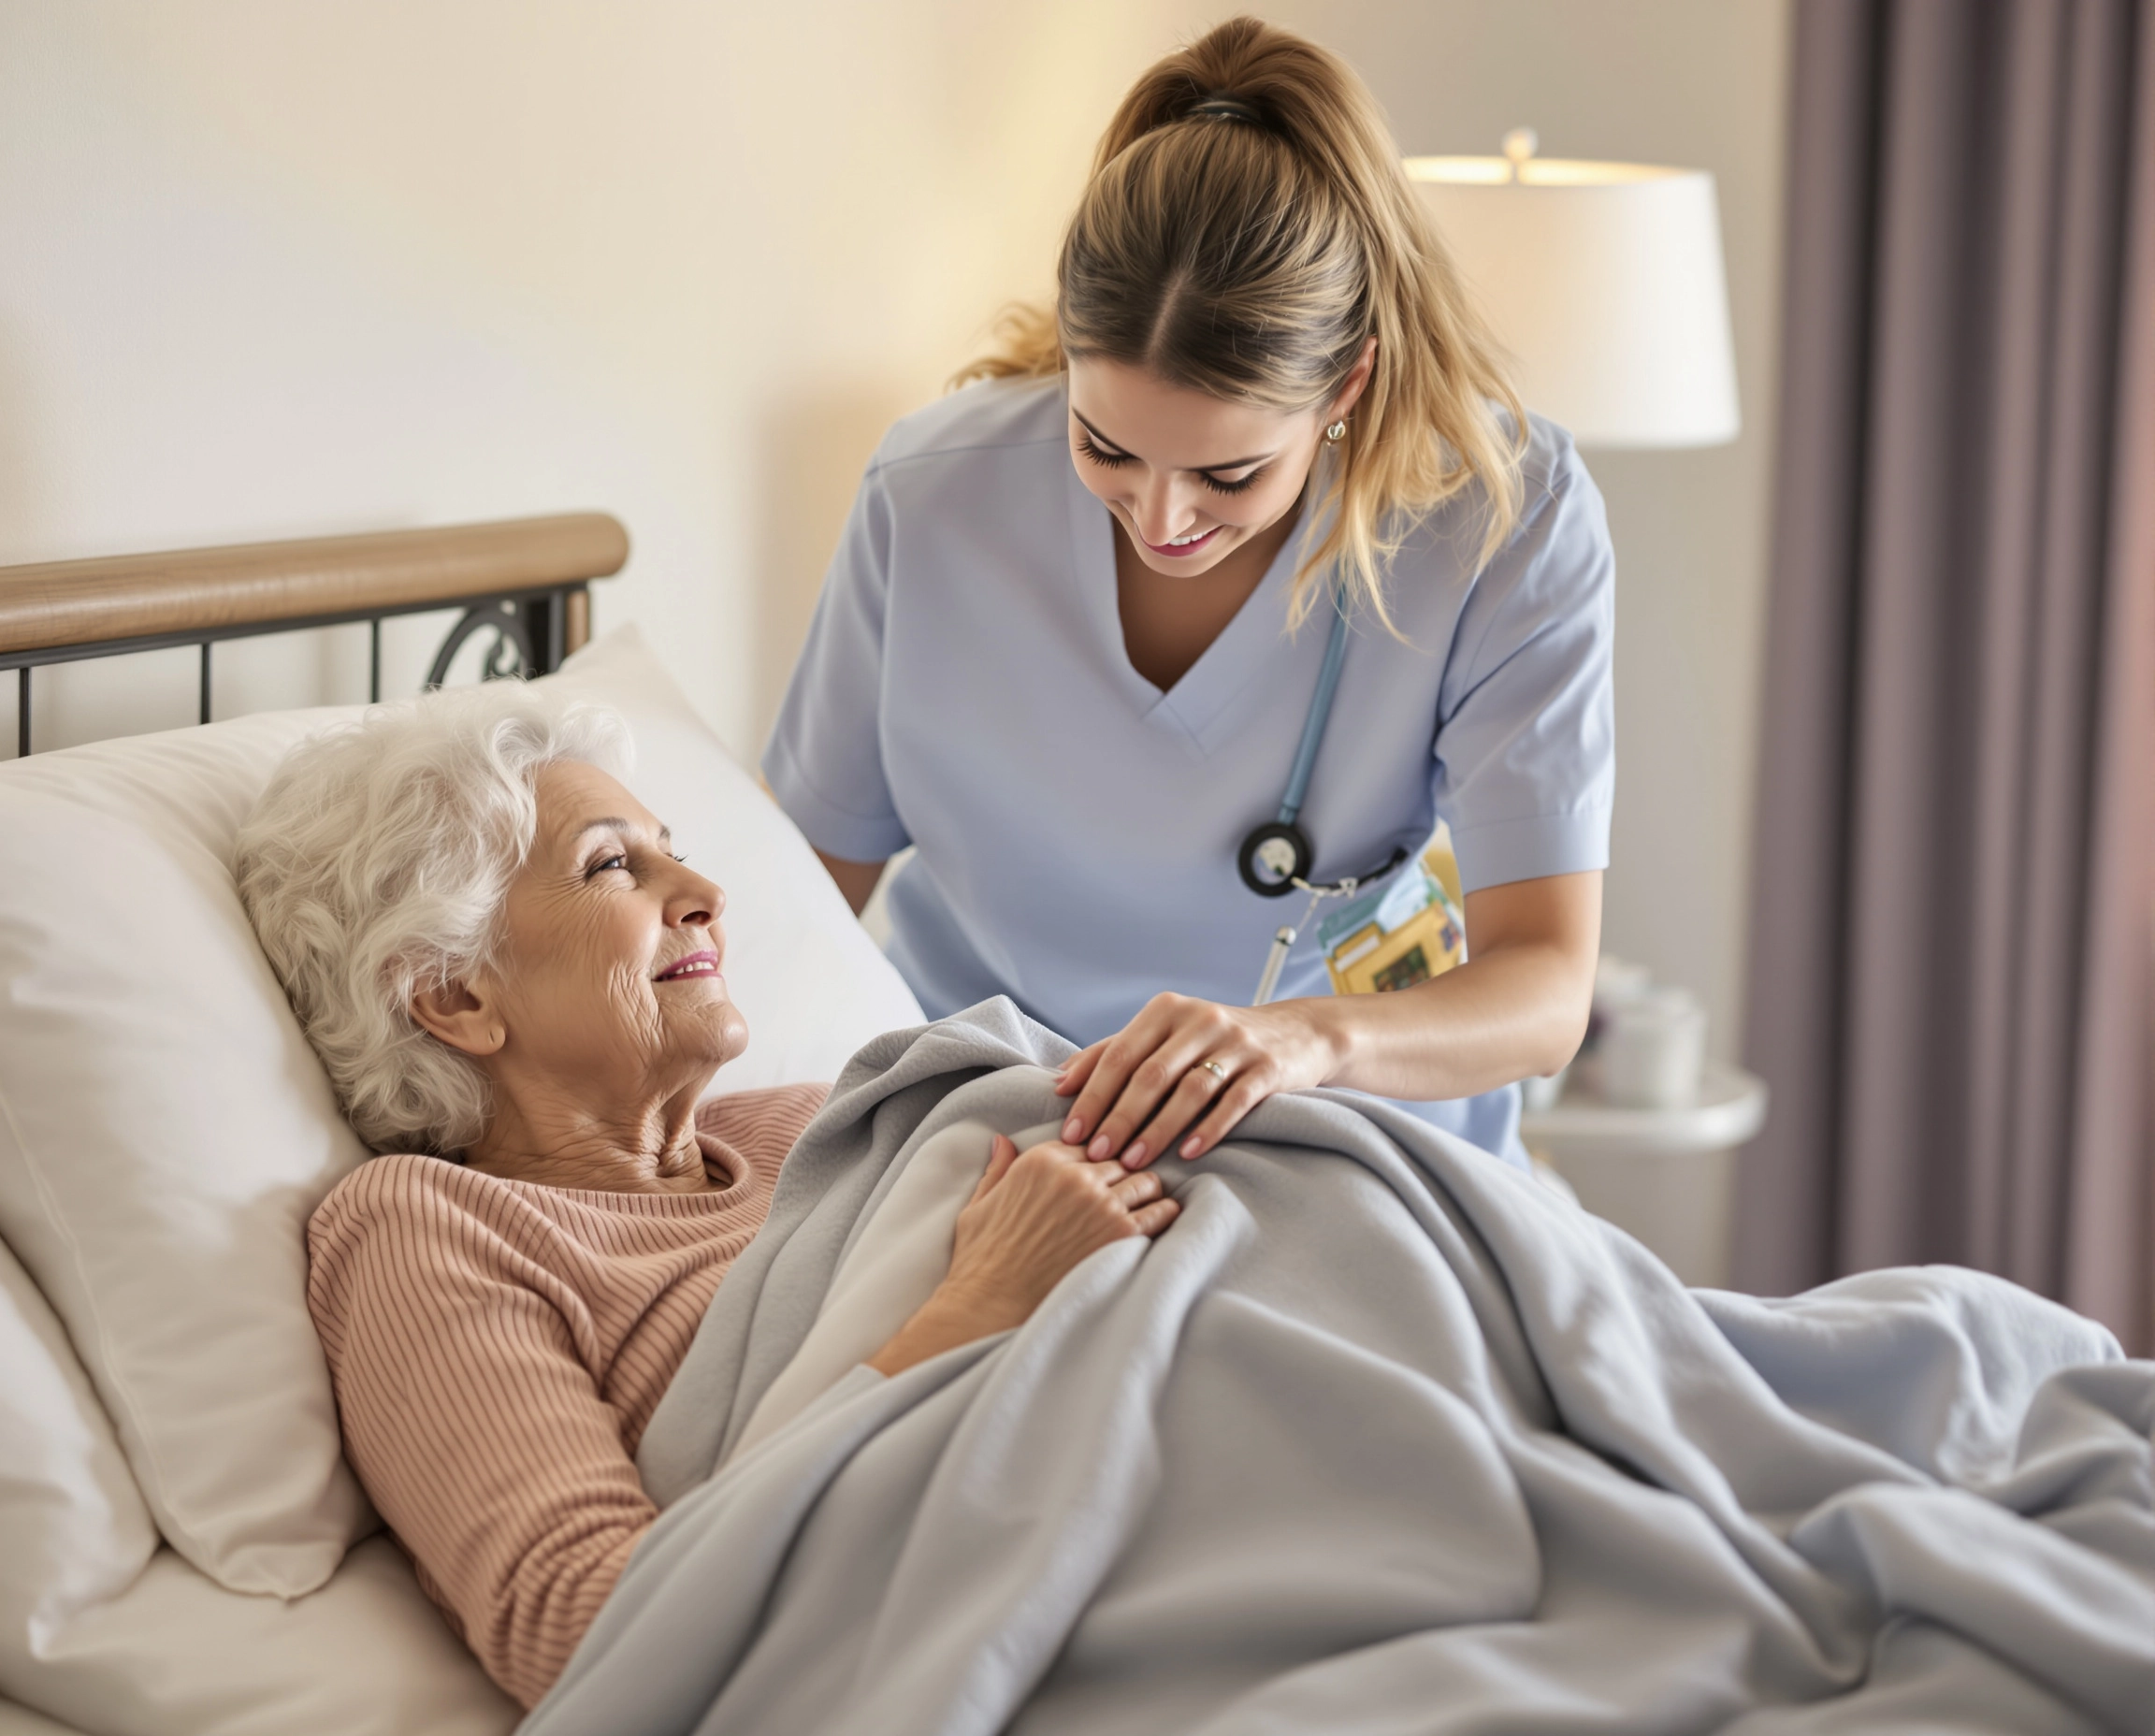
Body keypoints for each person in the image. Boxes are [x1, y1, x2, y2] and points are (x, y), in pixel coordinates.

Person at [764, 17, 1613, 1177]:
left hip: (1335, 1135)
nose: (1162, 521)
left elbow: (1545, 985)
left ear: (1345, 383)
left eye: (1229, 473)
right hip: (987, 1124)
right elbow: (793, 901)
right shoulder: (933, 495)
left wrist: (1298, 1041)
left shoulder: (1504, 522)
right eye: (1103, 445)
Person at [235, 684, 1177, 1709]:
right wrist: (978, 1307)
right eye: (612, 865)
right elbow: (589, 1628)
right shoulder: (435, 1229)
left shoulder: (832, 1115)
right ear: (457, 994)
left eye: (671, 847)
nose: (704, 890)